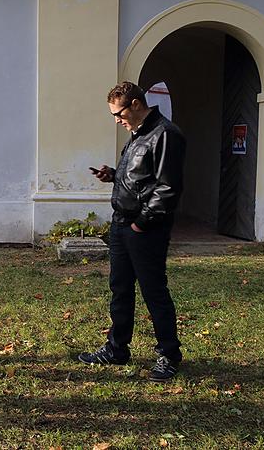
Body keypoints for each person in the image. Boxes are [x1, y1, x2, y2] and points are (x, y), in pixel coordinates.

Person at [79, 81, 186, 382]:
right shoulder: (137, 135)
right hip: (121, 224)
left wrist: (142, 222)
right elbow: (141, 179)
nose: (117, 120)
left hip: (145, 228)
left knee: (154, 291)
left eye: (119, 113)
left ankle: (169, 354)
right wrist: (113, 176)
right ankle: (117, 348)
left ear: (137, 104)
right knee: (120, 288)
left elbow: (168, 188)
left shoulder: (165, 134)